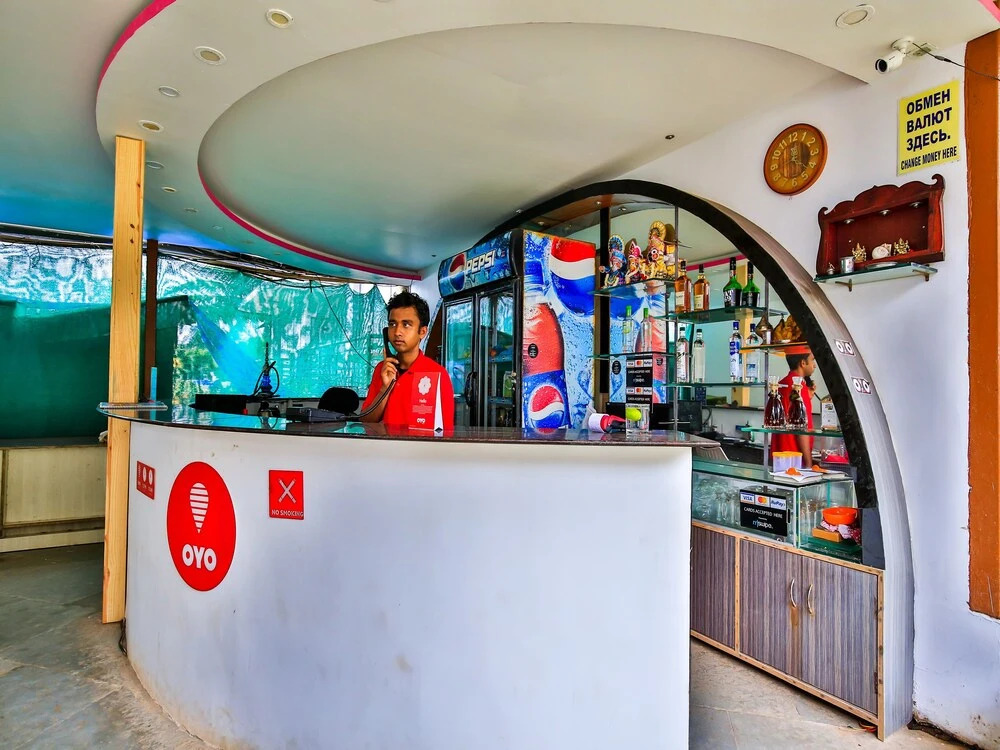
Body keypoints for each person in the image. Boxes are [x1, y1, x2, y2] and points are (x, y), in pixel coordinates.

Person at [361, 291, 454, 431]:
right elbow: (366, 422)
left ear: (422, 332)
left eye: (406, 324)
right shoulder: (383, 369)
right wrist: (385, 388)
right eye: (392, 324)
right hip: (385, 444)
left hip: (418, 445)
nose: (397, 332)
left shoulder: (437, 374)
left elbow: (444, 431)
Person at [771, 346, 817, 463]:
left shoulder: (781, 384)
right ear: (803, 363)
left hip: (779, 456)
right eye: (812, 360)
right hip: (794, 459)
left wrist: (808, 398)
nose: (814, 365)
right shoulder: (799, 388)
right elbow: (801, 429)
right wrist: (809, 463)